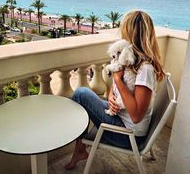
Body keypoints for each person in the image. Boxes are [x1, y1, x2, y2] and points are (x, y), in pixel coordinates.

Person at [65, 10, 165, 170]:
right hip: (121, 119)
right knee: (82, 94)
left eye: (124, 29)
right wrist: (111, 96)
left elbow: (137, 115)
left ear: (131, 33)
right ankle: (80, 148)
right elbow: (117, 88)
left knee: (80, 94)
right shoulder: (131, 59)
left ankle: (79, 148)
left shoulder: (145, 69)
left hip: (128, 136)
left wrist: (117, 79)